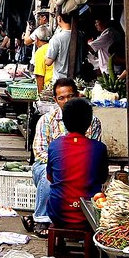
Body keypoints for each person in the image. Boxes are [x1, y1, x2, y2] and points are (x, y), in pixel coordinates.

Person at [25, 78, 102, 238]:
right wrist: (65, 162)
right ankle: (41, 219)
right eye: (61, 98)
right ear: (55, 100)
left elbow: (94, 154)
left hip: (78, 166)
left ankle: (81, 213)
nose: (66, 101)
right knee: (49, 179)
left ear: (78, 95)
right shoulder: (46, 120)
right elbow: (39, 152)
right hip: (50, 165)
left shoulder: (93, 122)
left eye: (70, 96)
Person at [46, 98, 108, 228]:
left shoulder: (55, 146)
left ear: (64, 121)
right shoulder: (99, 148)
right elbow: (102, 178)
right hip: (89, 215)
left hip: (58, 213)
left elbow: (50, 177)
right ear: (89, 122)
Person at [45, 8, 72, 81]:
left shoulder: (57, 38)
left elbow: (48, 62)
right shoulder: (80, 35)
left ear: (59, 18)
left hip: (60, 81)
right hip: (77, 80)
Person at [32, 25, 53, 93]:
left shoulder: (40, 51)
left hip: (48, 87)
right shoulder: (52, 47)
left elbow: (40, 76)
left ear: (36, 39)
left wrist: (40, 94)